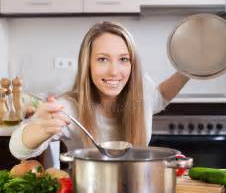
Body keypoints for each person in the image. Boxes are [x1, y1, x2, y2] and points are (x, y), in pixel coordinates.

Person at [9, 21, 189, 167]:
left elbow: (161, 96)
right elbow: (17, 148)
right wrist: (38, 129)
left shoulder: (142, 94)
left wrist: (190, 68)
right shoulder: (69, 108)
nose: (114, 71)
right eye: (103, 59)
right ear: (87, 64)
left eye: (123, 59)